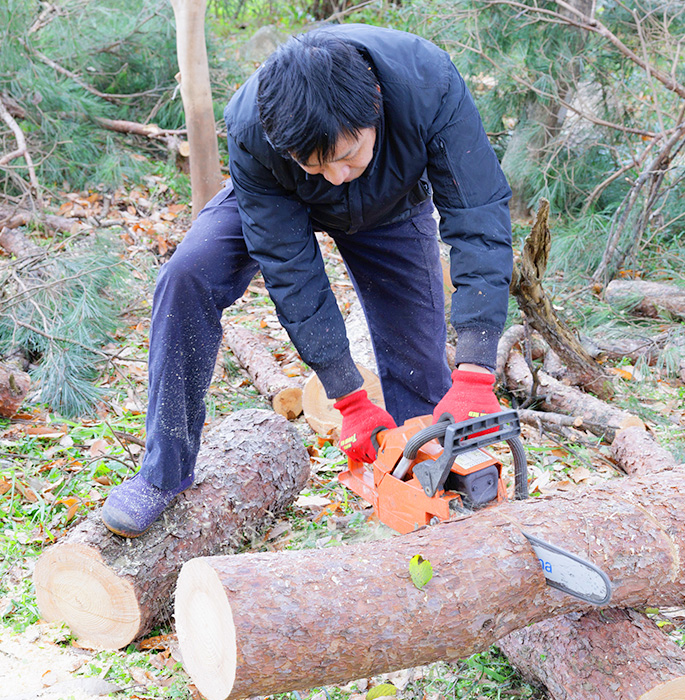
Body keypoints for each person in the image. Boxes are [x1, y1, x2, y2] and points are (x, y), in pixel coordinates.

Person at [101, 24, 513, 537]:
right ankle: (162, 474)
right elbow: (291, 270)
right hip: (282, 199)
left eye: (347, 155)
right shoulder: (254, 126)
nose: (338, 174)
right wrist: (348, 399)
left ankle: (432, 507)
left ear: (377, 106)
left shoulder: (428, 82)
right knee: (187, 276)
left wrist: (475, 370)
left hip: (392, 205)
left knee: (420, 373)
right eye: (318, 164)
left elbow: (479, 219)